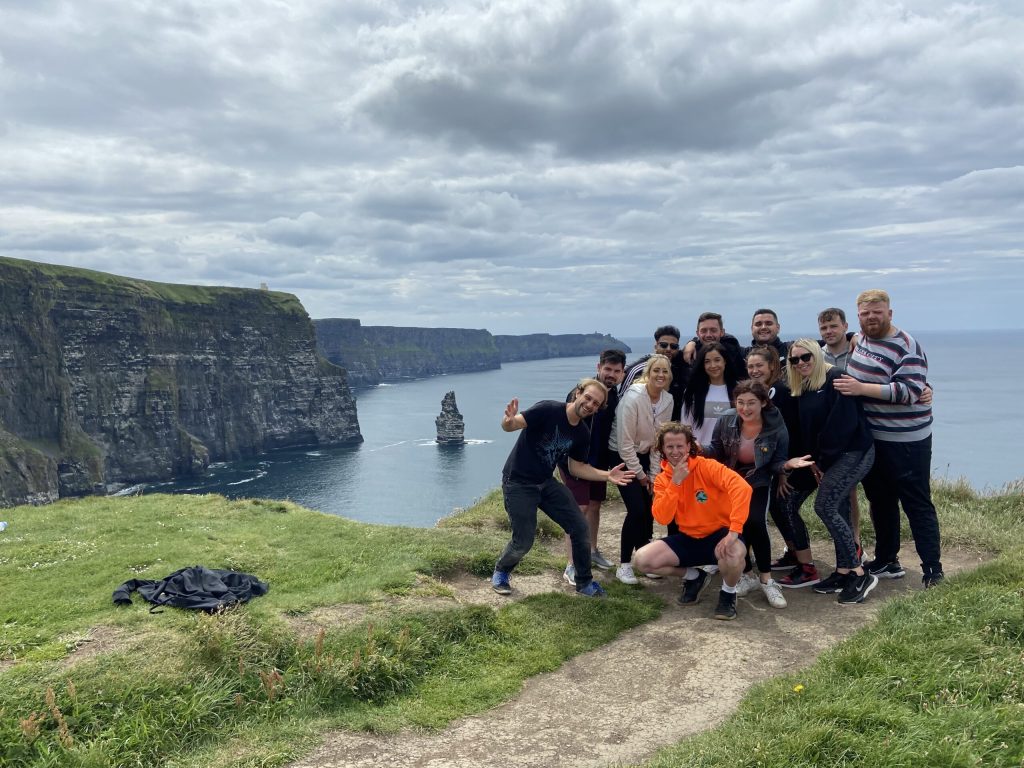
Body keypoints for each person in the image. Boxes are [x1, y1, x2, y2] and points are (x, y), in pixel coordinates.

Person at [834, 290, 944, 588]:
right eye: (866, 313)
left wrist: (861, 388)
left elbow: (908, 392)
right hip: (874, 440)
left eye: (877, 312)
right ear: (858, 316)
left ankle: (933, 569)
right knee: (880, 500)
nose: (872, 317)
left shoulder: (906, 346)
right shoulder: (861, 340)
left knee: (916, 503)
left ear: (890, 313)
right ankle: (886, 558)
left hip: (907, 442)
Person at [492, 380, 635, 597]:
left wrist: (608, 475)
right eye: (587, 398)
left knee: (579, 526)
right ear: (578, 393)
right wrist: (507, 420)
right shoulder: (548, 409)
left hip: (545, 482)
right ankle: (502, 570)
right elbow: (512, 425)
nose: (589, 405)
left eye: (596, 403)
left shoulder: (582, 433)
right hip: (518, 483)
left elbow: (576, 468)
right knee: (523, 540)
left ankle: (584, 583)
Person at [779, 340, 879, 603]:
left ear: (816, 354)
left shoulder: (835, 377)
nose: (801, 363)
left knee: (825, 506)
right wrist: (816, 462)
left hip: (854, 452)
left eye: (806, 356)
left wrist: (823, 462)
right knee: (840, 507)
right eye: (794, 360)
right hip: (832, 458)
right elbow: (811, 433)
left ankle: (859, 573)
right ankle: (843, 570)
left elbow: (842, 426)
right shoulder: (804, 388)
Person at [632, 422, 751, 620]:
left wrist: (734, 531)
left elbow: (743, 488)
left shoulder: (708, 467)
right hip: (688, 538)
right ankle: (695, 576)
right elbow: (662, 517)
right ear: (662, 449)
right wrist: (676, 483)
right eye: (669, 446)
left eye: (680, 446)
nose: (675, 451)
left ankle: (728, 593)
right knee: (642, 560)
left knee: (734, 555)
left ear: (689, 446)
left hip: (719, 535)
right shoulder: (662, 480)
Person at [706, 380, 802, 609]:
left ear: (763, 403)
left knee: (756, 521)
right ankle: (747, 574)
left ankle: (767, 579)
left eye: (751, 403)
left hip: (757, 480)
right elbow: (715, 449)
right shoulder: (727, 419)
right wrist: (695, 449)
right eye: (740, 402)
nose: (745, 408)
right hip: (729, 480)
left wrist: (787, 465)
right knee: (734, 525)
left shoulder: (775, 425)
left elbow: (777, 460)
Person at [558, 349, 626, 584]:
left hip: (600, 460)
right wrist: (562, 463)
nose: (611, 374)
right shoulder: (582, 393)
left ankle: (592, 550)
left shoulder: (614, 395)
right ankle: (571, 564)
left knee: (595, 506)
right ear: (598, 368)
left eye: (616, 371)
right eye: (607, 369)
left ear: (622, 373)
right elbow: (564, 427)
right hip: (575, 461)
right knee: (579, 510)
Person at [608, 354, 674, 584]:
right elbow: (625, 443)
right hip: (621, 456)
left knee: (648, 508)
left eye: (665, 371)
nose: (660, 375)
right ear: (648, 373)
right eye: (656, 370)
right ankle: (624, 564)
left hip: (646, 455)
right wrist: (641, 476)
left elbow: (658, 443)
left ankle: (645, 559)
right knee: (636, 510)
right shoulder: (633, 398)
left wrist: (653, 478)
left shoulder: (668, 400)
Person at [620, 325, 690, 419]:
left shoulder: (683, 368)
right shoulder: (639, 370)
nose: (668, 349)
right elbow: (622, 402)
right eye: (664, 345)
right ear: (656, 346)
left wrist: (692, 342)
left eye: (673, 346)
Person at [680, 341, 740, 449]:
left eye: (717, 360)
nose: (713, 365)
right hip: (700, 455)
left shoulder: (739, 390)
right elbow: (685, 426)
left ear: (725, 361)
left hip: (730, 458)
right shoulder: (692, 392)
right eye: (707, 361)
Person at [680, 311, 745, 374]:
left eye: (713, 330)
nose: (708, 335)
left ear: (722, 332)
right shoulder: (690, 353)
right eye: (704, 331)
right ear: (698, 333)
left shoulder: (733, 349)